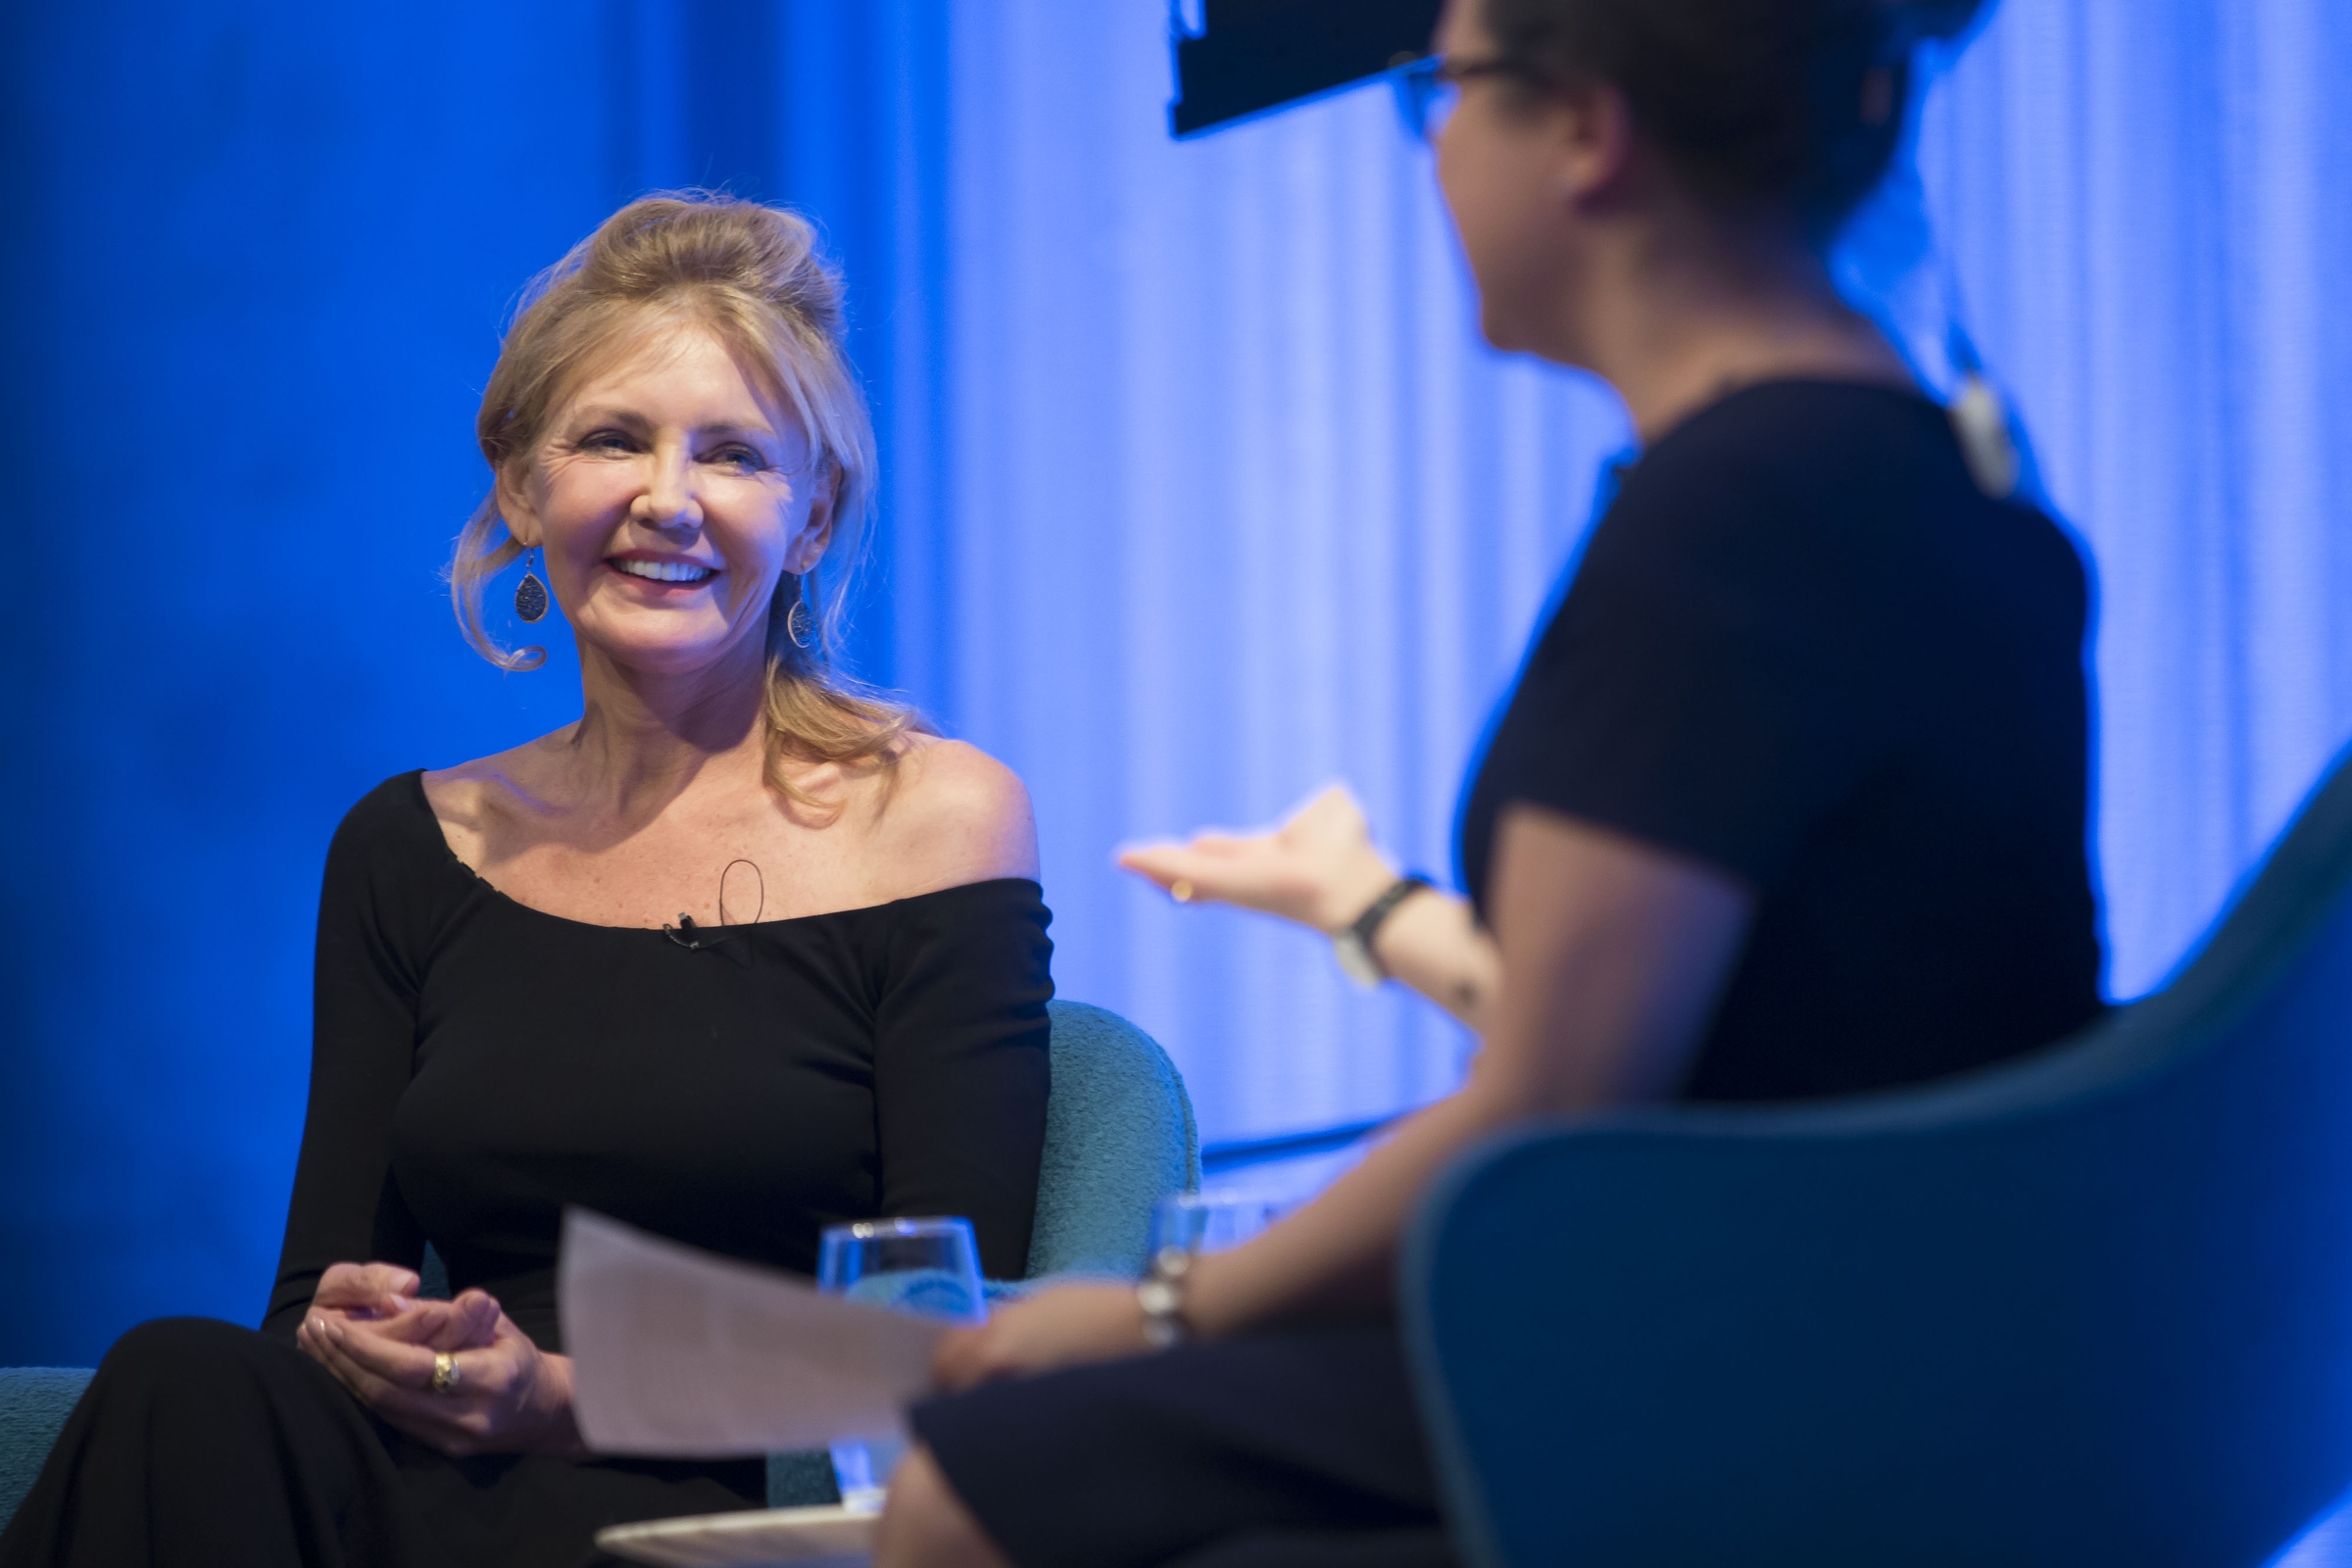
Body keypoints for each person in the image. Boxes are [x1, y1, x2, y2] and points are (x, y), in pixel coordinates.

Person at [876, 0, 2100, 1564]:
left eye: (1441, 91)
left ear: (1584, 131)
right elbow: (1741, 1026)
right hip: (1929, 1361)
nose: (1435, 150)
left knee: (965, 1495)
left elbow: (1545, 1109)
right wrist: (1366, 904)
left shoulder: (1731, 527)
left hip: (1753, 1385)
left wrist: (1162, 1308)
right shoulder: (1911, 479)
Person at [0, 193, 1053, 1568]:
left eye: (734, 454)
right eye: (613, 439)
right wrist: (372, 1330)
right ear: (521, 488)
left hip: (726, 1511)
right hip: (423, 1481)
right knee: (180, 1378)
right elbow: (313, 1309)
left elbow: (948, 1340)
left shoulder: (936, 816)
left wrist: (557, 1398)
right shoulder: (412, 845)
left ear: (813, 517)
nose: (667, 499)